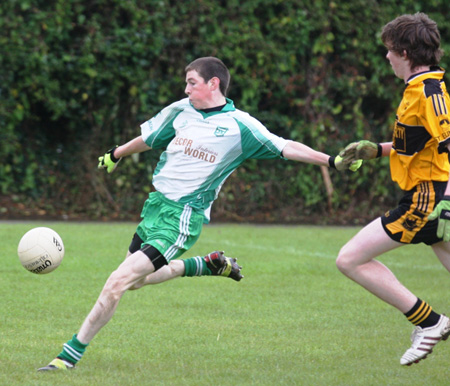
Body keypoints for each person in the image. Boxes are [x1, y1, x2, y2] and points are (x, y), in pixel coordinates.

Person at [38, 56, 360, 371]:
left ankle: (68, 356)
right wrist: (116, 153)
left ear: (213, 83)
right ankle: (205, 265)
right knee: (136, 282)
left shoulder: (240, 126)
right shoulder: (181, 111)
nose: (186, 89)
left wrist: (332, 160)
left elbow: (286, 146)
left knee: (117, 281)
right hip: (155, 208)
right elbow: (150, 139)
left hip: (182, 217)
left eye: (192, 83)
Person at [337, 13, 450, 366]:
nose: (386, 57)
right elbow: (419, 144)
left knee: (350, 259)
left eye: (389, 50)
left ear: (404, 51)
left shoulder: (428, 91)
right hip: (429, 194)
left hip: (427, 199)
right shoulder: (421, 87)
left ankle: (430, 323)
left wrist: (446, 198)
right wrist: (376, 150)